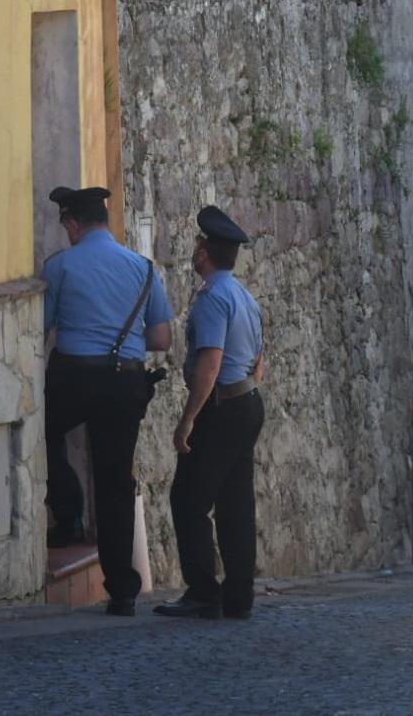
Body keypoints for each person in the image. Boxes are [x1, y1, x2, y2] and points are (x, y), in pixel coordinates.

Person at [41, 186, 172, 616]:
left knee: (44, 435)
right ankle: (123, 591)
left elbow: (41, 325)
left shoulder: (60, 267)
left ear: (73, 224)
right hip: (123, 383)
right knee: (116, 480)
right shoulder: (143, 268)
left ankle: (68, 513)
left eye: (66, 227)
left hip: (73, 378)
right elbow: (161, 337)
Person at [155, 206, 265, 621]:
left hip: (222, 407)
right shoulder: (243, 296)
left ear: (204, 253)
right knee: (236, 502)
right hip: (247, 402)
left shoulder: (212, 299)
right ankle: (239, 597)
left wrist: (188, 418)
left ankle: (203, 591)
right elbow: (258, 361)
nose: (194, 249)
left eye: (198, 244)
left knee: (188, 499)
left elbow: (210, 365)